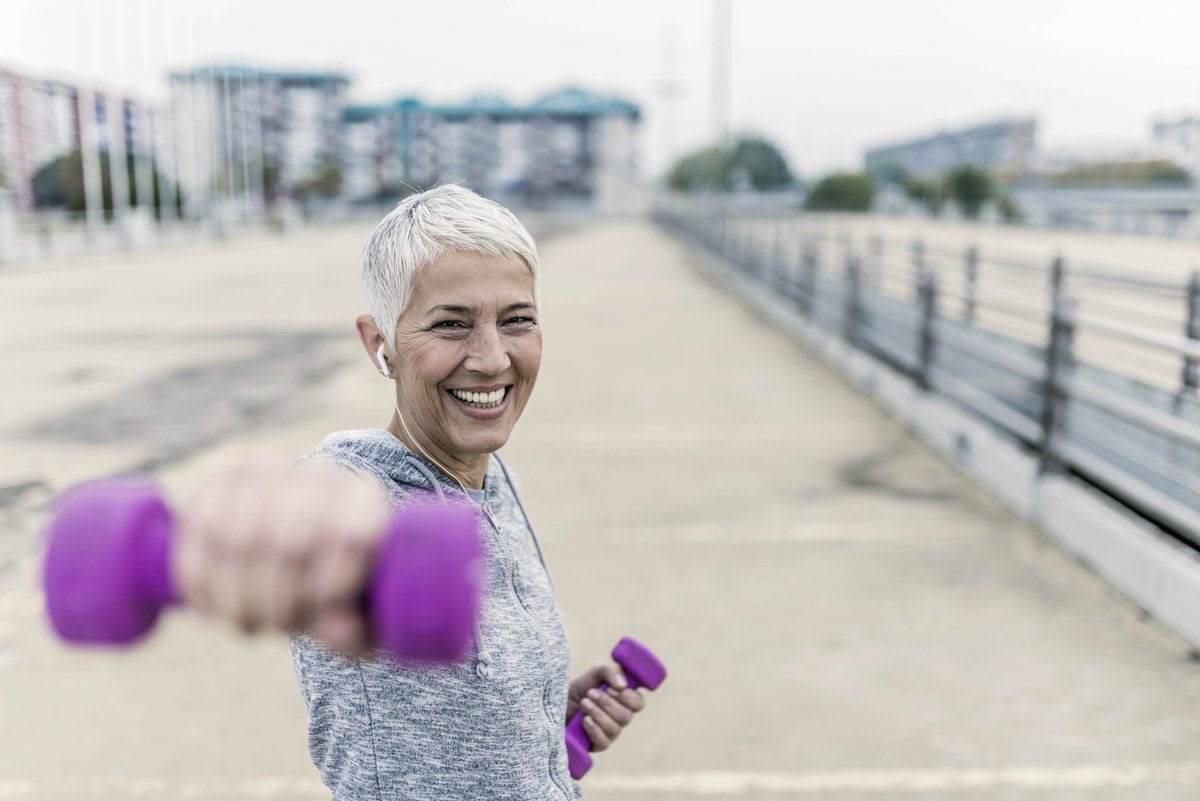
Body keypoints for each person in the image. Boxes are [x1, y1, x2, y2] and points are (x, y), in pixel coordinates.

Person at [174, 185, 645, 799]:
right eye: (451, 324)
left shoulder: (496, 481)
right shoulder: (357, 497)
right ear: (381, 345)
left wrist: (546, 712)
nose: (491, 358)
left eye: (517, 320)